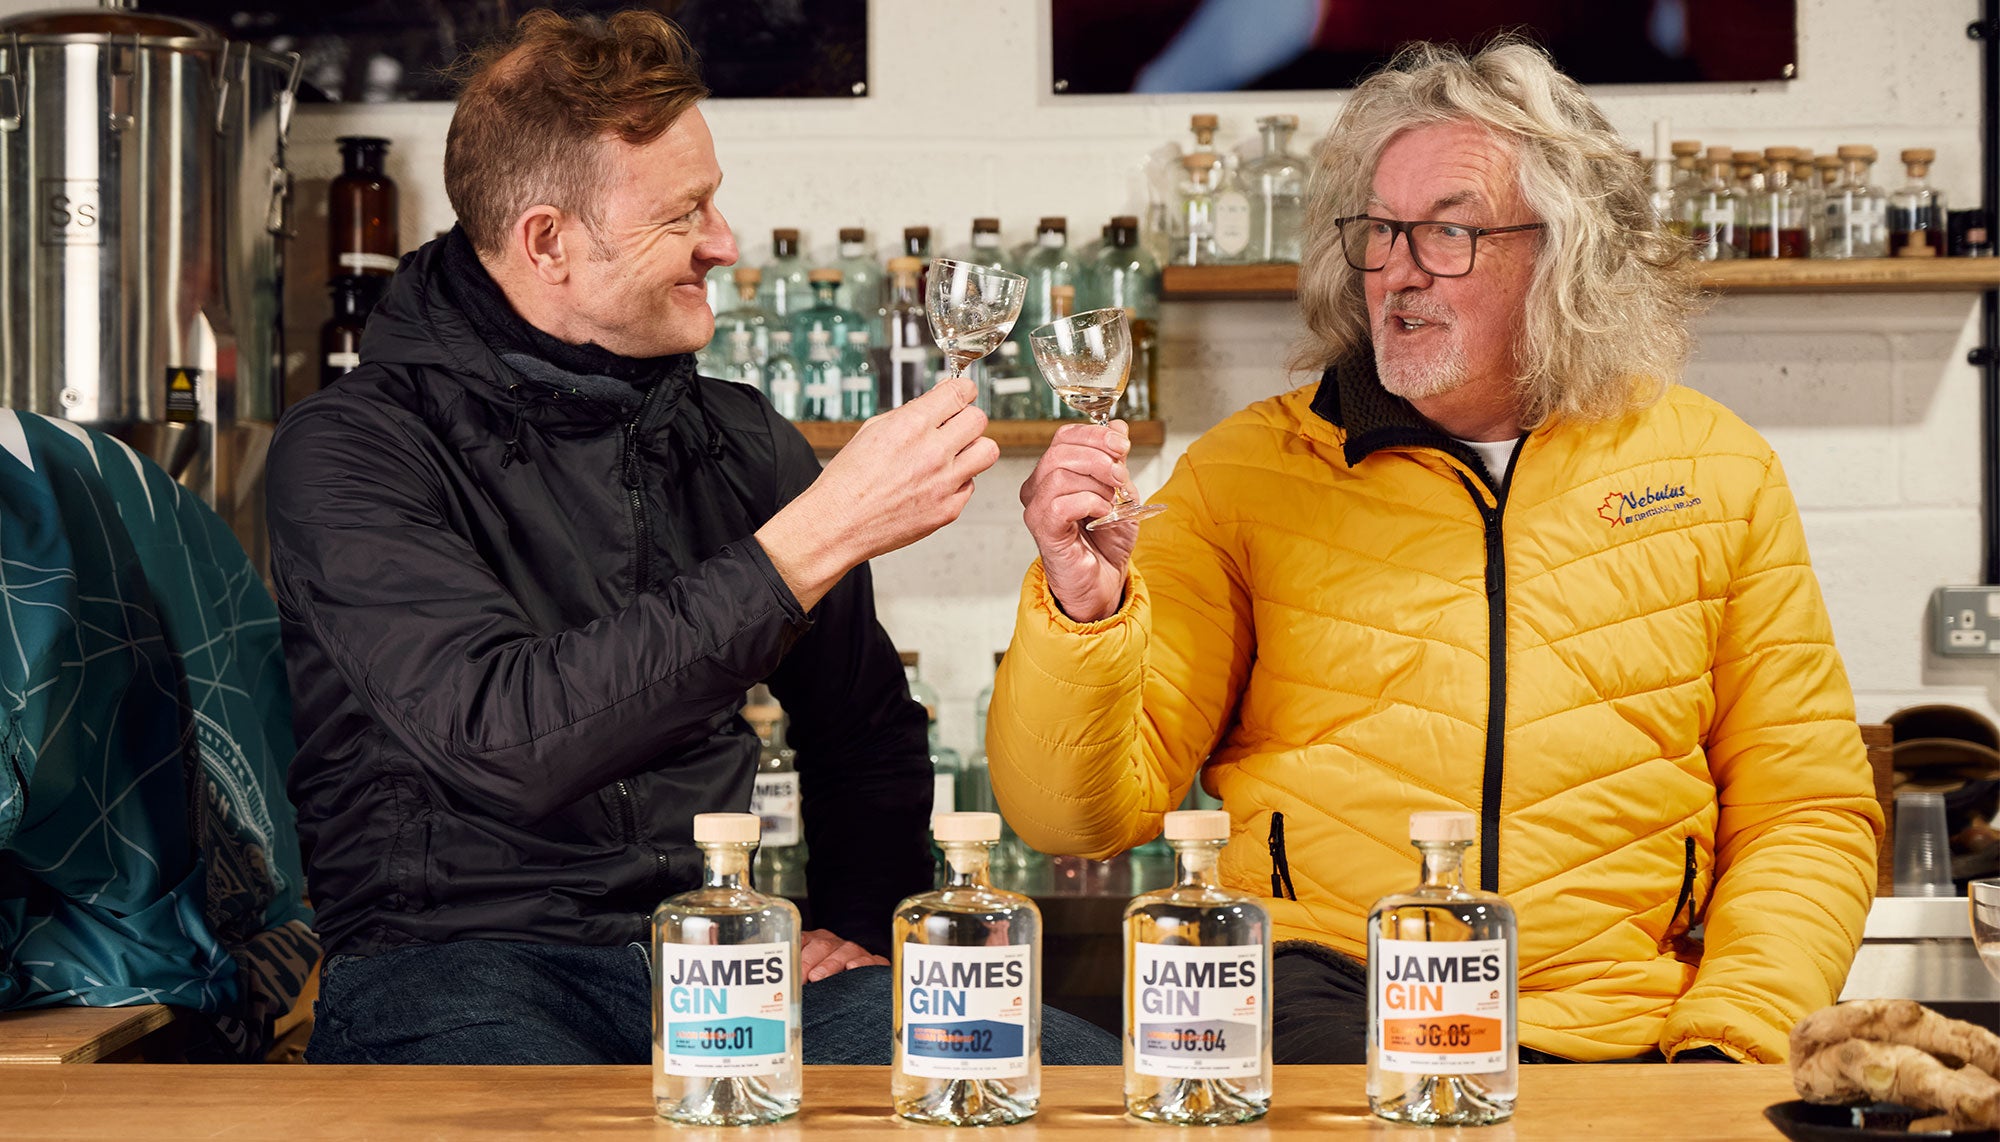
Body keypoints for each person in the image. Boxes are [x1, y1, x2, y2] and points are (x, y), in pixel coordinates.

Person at [992, 39, 1883, 1066]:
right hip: (1326, 1001)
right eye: (1380, 231)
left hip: (1612, 1023)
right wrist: (1083, 614)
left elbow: (1804, 813)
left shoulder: (1717, 470)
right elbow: (1070, 819)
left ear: (1567, 251)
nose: (1399, 272)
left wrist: (1732, 1038)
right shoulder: (1245, 474)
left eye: (1448, 231)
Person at [267, 10, 1115, 1066]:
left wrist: (858, 925)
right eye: (684, 215)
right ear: (547, 242)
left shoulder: (739, 439)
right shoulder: (352, 450)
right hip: (451, 965)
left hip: (718, 955)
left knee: (1075, 1081)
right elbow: (503, 737)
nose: (723, 241)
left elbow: (864, 734)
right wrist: (813, 540)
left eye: (711, 200)